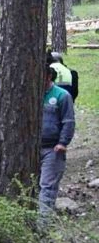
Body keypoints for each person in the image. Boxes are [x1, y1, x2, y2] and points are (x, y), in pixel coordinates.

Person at [39, 65, 76, 225]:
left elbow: (68, 121)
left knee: (47, 186)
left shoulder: (62, 95)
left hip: (53, 148)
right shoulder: (32, 94)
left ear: (48, 77)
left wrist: (63, 142)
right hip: (32, 147)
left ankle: (43, 225)